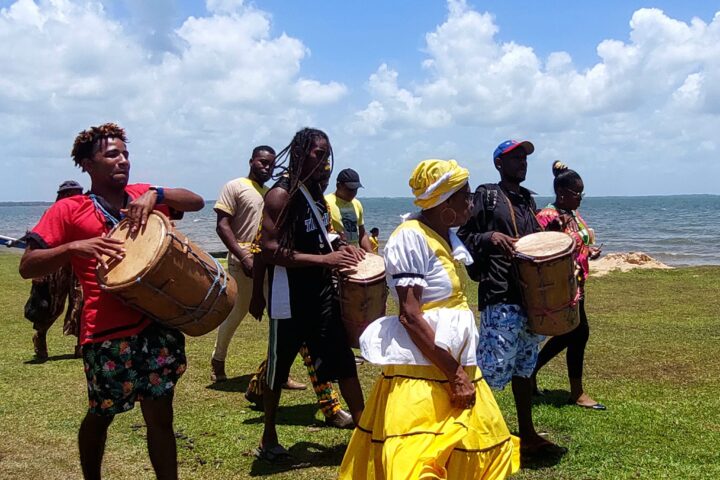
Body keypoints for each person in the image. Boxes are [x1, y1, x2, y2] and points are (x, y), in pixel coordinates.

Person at [18, 123, 204, 480]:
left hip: (155, 322)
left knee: (161, 417)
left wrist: (155, 193)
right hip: (105, 332)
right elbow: (28, 265)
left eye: (125, 154)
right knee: (102, 414)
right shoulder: (70, 210)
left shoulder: (141, 194)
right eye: (111, 154)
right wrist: (74, 247)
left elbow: (195, 202)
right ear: (87, 164)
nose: (123, 161)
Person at [340, 159, 519, 479]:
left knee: (472, 448)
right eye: (465, 195)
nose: (471, 201)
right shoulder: (411, 237)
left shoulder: (445, 235)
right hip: (425, 373)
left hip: (455, 364)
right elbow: (410, 315)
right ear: (445, 202)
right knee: (418, 458)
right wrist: (454, 374)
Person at [255, 127, 365, 462]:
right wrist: (325, 259)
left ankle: (365, 431)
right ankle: (268, 435)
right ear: (301, 152)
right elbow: (269, 250)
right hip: (287, 298)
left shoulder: (314, 193)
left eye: (327, 154)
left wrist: (341, 248)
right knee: (278, 369)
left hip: (320, 293)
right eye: (318, 153)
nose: (325, 161)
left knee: (343, 361)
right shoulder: (280, 195)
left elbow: (321, 236)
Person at [458, 139, 566, 457]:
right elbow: (461, 236)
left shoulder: (526, 201)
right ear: (499, 164)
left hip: (527, 296)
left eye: (524, 157)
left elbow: (532, 244)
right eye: (515, 157)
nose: (523, 162)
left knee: (523, 367)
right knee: (490, 371)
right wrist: (489, 237)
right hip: (499, 292)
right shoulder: (486, 195)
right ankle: (469, 437)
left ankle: (527, 434)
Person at [531, 161, 605, 410]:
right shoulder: (548, 217)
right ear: (562, 193)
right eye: (578, 194)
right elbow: (541, 249)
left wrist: (588, 250)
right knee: (578, 332)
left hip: (577, 284)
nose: (581, 199)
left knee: (573, 333)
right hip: (560, 287)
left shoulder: (572, 214)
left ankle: (532, 371)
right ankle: (577, 392)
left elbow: (575, 242)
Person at [25, 180, 85, 359]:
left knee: (81, 303)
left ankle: (81, 344)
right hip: (57, 264)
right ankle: (41, 337)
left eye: (78, 193)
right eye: (72, 193)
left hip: (78, 264)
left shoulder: (85, 212)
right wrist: (40, 273)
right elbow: (40, 242)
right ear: (63, 196)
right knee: (52, 305)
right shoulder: (52, 212)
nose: (76, 197)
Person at [325, 168, 373, 252]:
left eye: (355, 189)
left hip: (354, 253)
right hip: (335, 253)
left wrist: (371, 254)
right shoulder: (326, 202)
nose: (353, 193)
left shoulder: (357, 204)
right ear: (338, 185)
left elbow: (362, 233)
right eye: (350, 189)